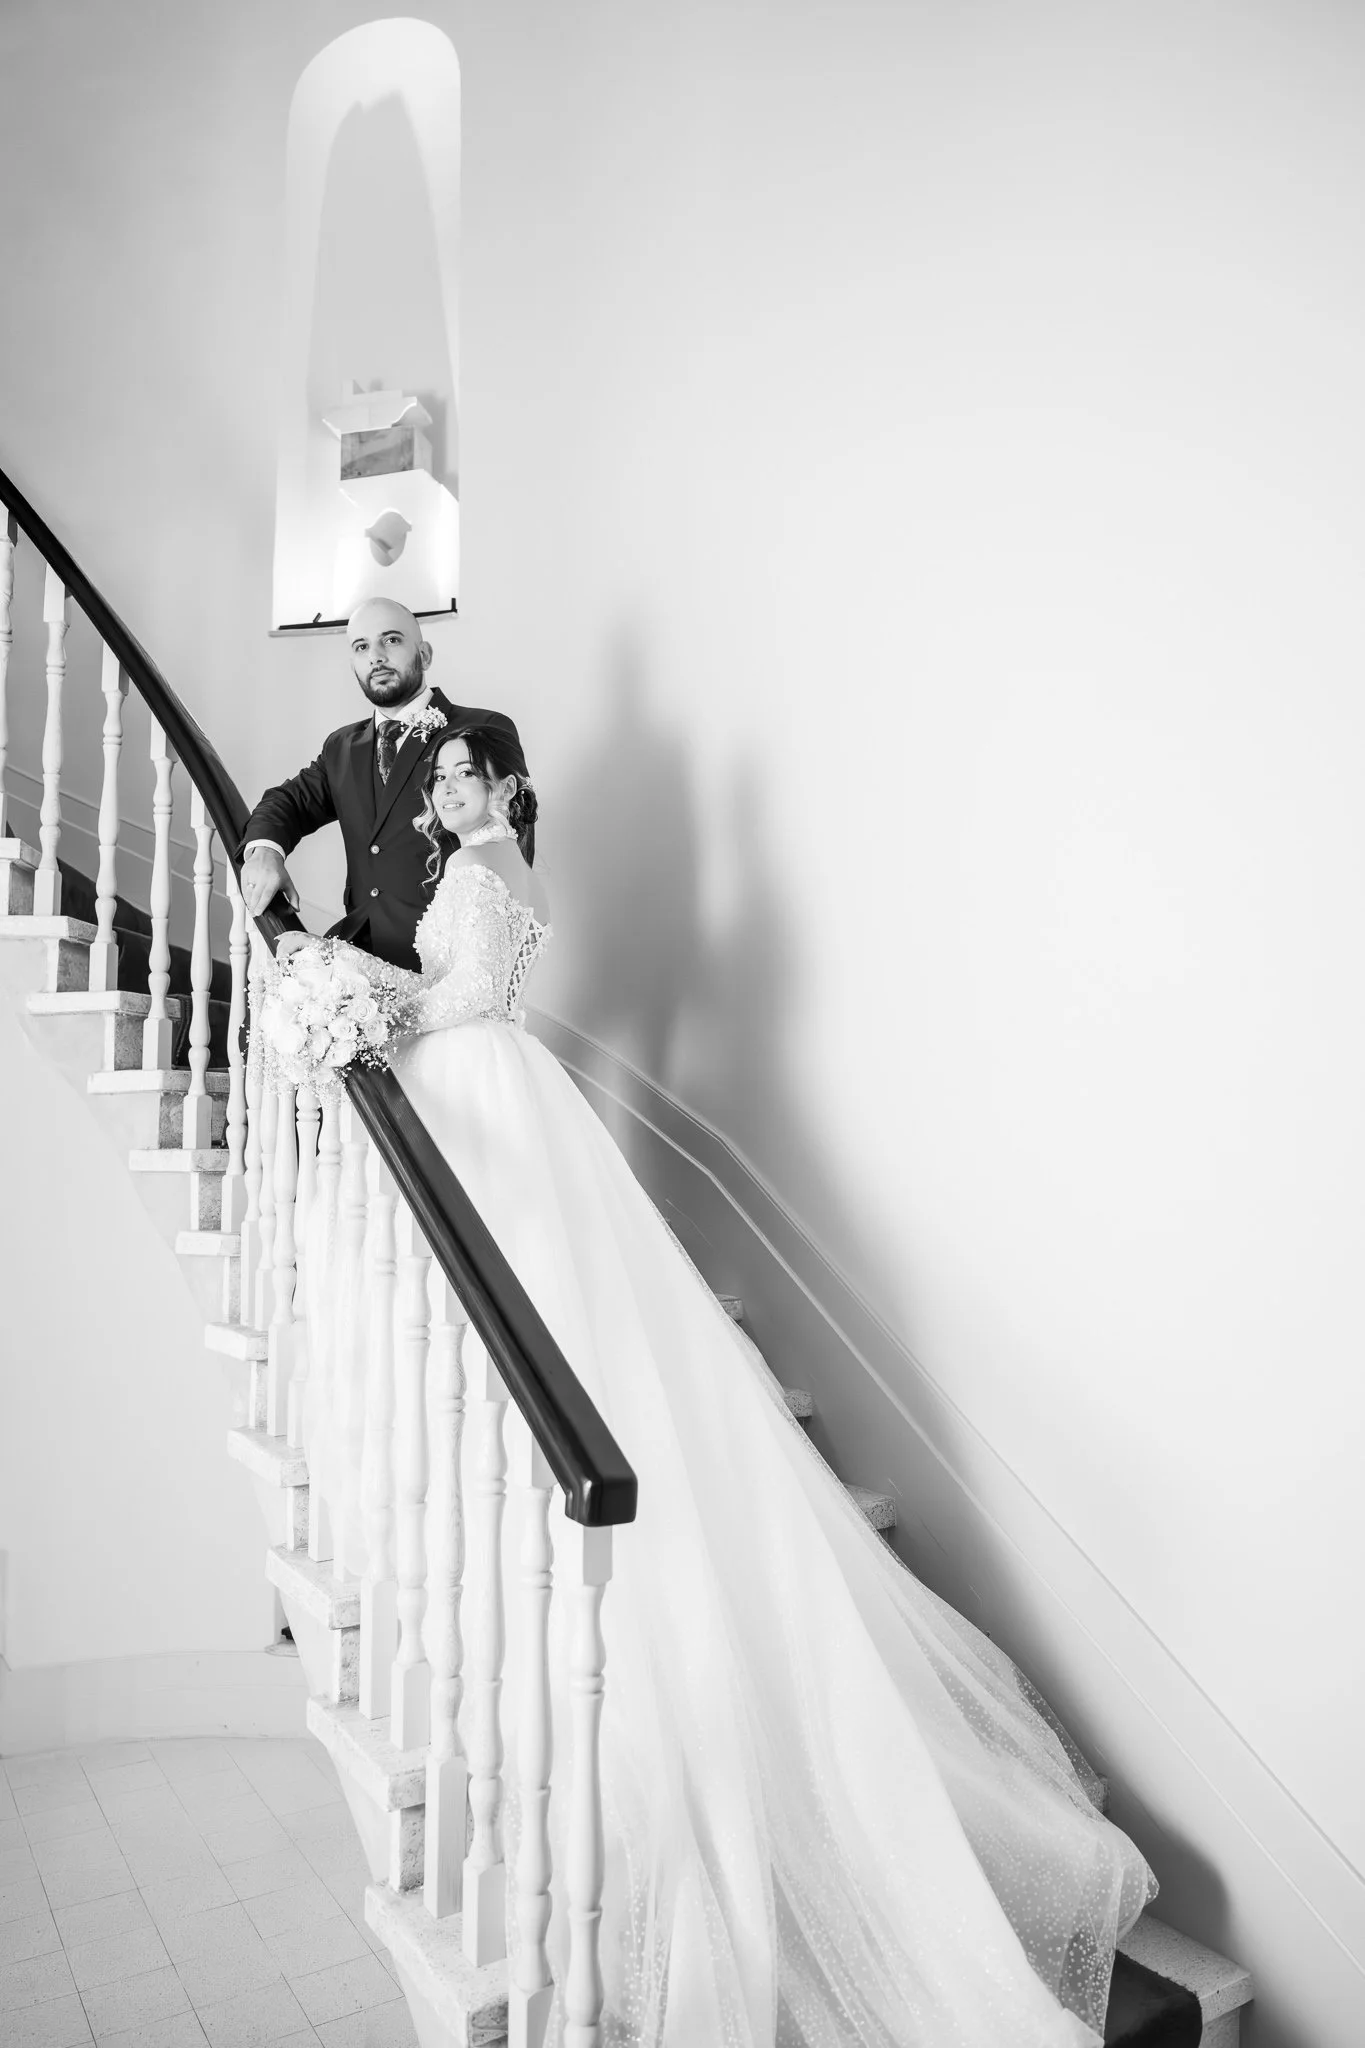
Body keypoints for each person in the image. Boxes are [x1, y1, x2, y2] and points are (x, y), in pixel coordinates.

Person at [285, 724, 1156, 2048]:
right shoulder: (489, 860)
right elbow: (466, 987)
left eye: (473, 775)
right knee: (524, 1308)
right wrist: (374, 986)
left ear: (507, 790)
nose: (457, 789)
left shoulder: (487, 864)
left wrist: (356, 985)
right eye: (447, 778)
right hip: (493, 1091)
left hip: (479, 1076)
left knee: (530, 1310)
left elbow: (465, 999)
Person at [239, 597, 527, 971]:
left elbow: (513, 844)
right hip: (357, 959)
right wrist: (265, 851)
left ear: (424, 654)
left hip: (444, 962)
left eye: (391, 640)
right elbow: (288, 801)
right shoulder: (341, 747)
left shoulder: (482, 730)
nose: (375, 656)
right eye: (361, 647)